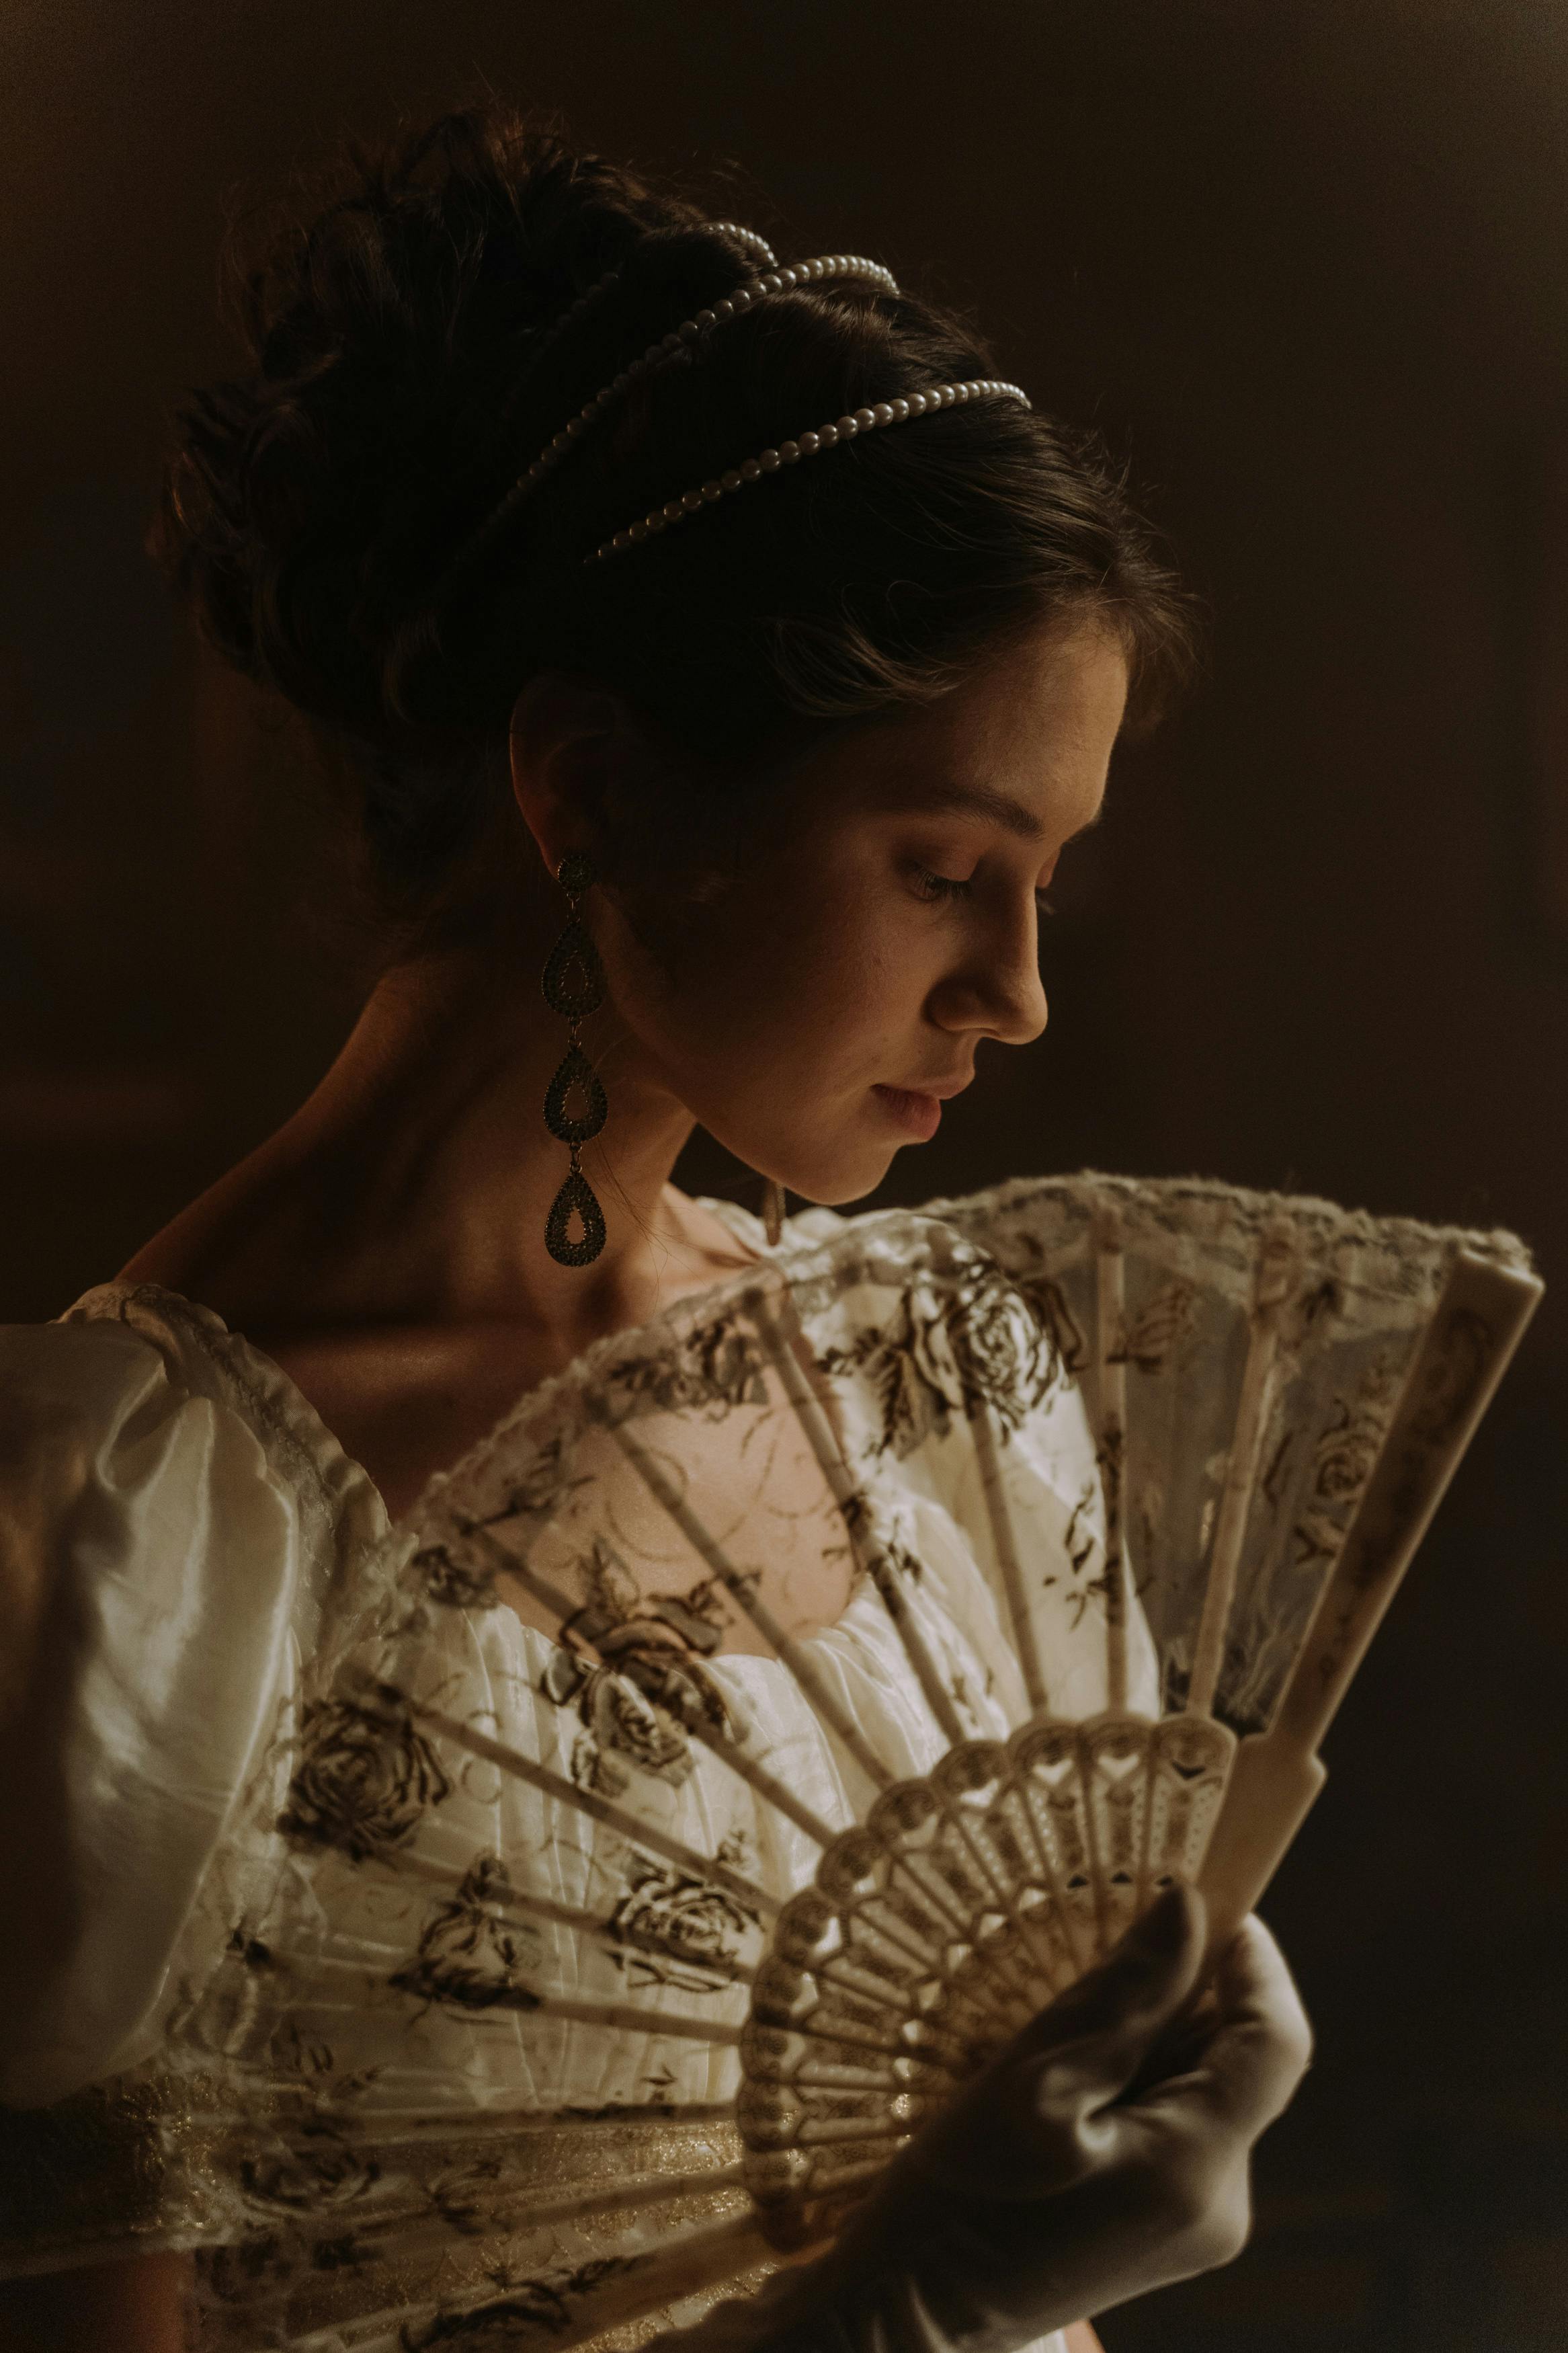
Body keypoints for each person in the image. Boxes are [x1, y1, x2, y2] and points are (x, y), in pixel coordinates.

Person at [0, 106, 1311, 2353]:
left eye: (1048, 881)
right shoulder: (121, 1548)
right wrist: (871, 2315)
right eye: (943, 867)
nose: (1017, 993)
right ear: (592, 788)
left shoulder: (929, 1397)